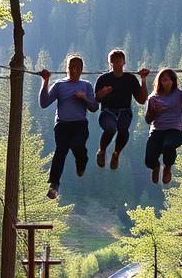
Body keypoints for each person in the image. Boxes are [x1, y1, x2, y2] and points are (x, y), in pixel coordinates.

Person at [39, 55, 98, 199]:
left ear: (82, 70)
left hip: (80, 123)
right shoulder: (60, 85)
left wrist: (83, 97)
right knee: (60, 152)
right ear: (67, 68)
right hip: (62, 124)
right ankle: (54, 185)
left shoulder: (86, 85)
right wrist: (45, 81)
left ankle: (81, 160)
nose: (74, 70)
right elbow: (44, 103)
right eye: (72, 67)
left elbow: (94, 107)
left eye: (78, 68)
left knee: (77, 145)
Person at [94, 49, 149, 170]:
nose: (117, 64)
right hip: (107, 112)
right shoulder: (103, 79)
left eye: (119, 62)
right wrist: (102, 93)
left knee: (123, 130)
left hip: (124, 111)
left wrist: (143, 80)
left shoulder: (130, 79)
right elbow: (96, 99)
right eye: (114, 62)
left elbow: (141, 100)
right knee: (111, 128)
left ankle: (116, 154)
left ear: (124, 62)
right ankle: (102, 151)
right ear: (110, 63)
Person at [144, 68, 182, 185]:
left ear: (173, 81)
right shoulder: (153, 97)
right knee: (149, 160)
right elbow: (148, 120)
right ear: (160, 82)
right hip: (157, 131)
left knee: (168, 146)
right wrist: (154, 112)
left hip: (174, 131)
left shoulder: (178, 94)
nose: (166, 83)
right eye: (163, 80)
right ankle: (155, 167)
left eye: (169, 80)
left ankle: (167, 167)